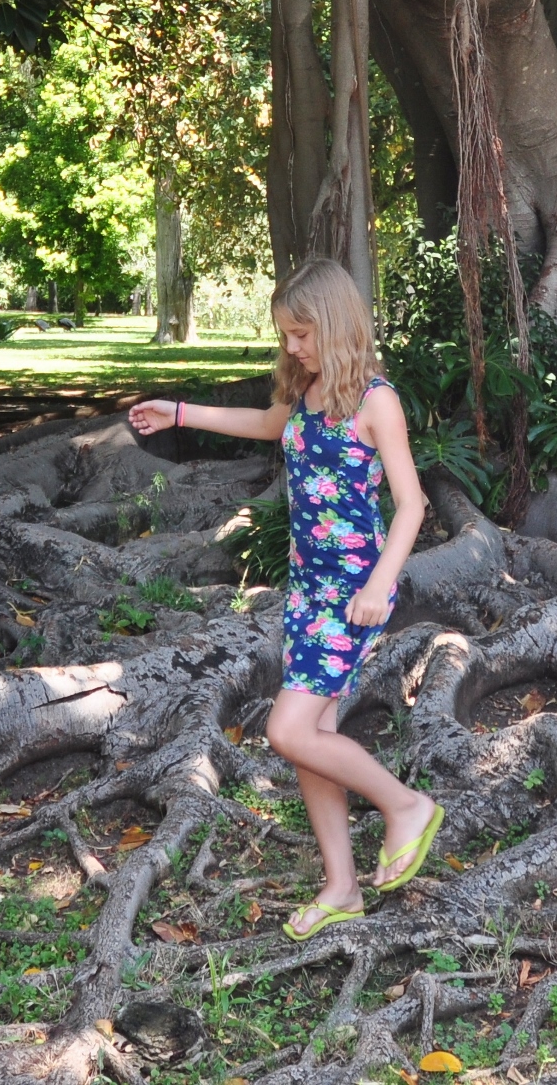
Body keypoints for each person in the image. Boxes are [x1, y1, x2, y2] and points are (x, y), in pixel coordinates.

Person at [129, 256, 442, 939]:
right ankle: (341, 885)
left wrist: (380, 582)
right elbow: (270, 426)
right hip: (308, 591)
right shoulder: (307, 391)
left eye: (301, 333)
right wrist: (178, 410)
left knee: (288, 729)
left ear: (333, 323)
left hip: (354, 592)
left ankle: (406, 805)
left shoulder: (375, 400)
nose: (292, 346)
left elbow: (412, 503)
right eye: (287, 335)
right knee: (314, 738)